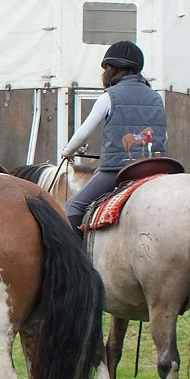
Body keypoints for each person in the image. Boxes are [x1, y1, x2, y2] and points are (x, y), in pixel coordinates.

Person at [60, 40, 167, 235]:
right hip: (156, 167)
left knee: (73, 207)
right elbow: (163, 135)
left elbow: (84, 132)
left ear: (111, 69)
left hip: (118, 169)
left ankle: (78, 264)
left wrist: (67, 152)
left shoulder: (110, 96)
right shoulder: (156, 97)